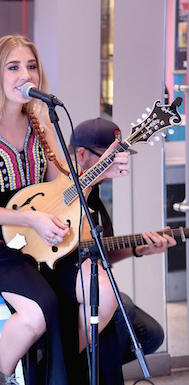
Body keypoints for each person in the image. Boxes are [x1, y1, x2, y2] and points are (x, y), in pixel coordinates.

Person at [0, 35, 130, 385]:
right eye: (14, 67)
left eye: (31, 66)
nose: (25, 74)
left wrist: (103, 171)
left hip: (42, 239)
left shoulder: (40, 121)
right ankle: (2, 376)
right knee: (36, 314)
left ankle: (55, 371)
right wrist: (28, 217)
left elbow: (64, 187)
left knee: (104, 296)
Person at [68, 117, 174, 364]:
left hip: (88, 281)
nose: (114, 167)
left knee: (150, 334)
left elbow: (100, 250)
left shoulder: (94, 195)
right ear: (81, 154)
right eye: (108, 160)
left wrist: (140, 249)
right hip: (64, 283)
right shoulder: (62, 191)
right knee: (120, 307)